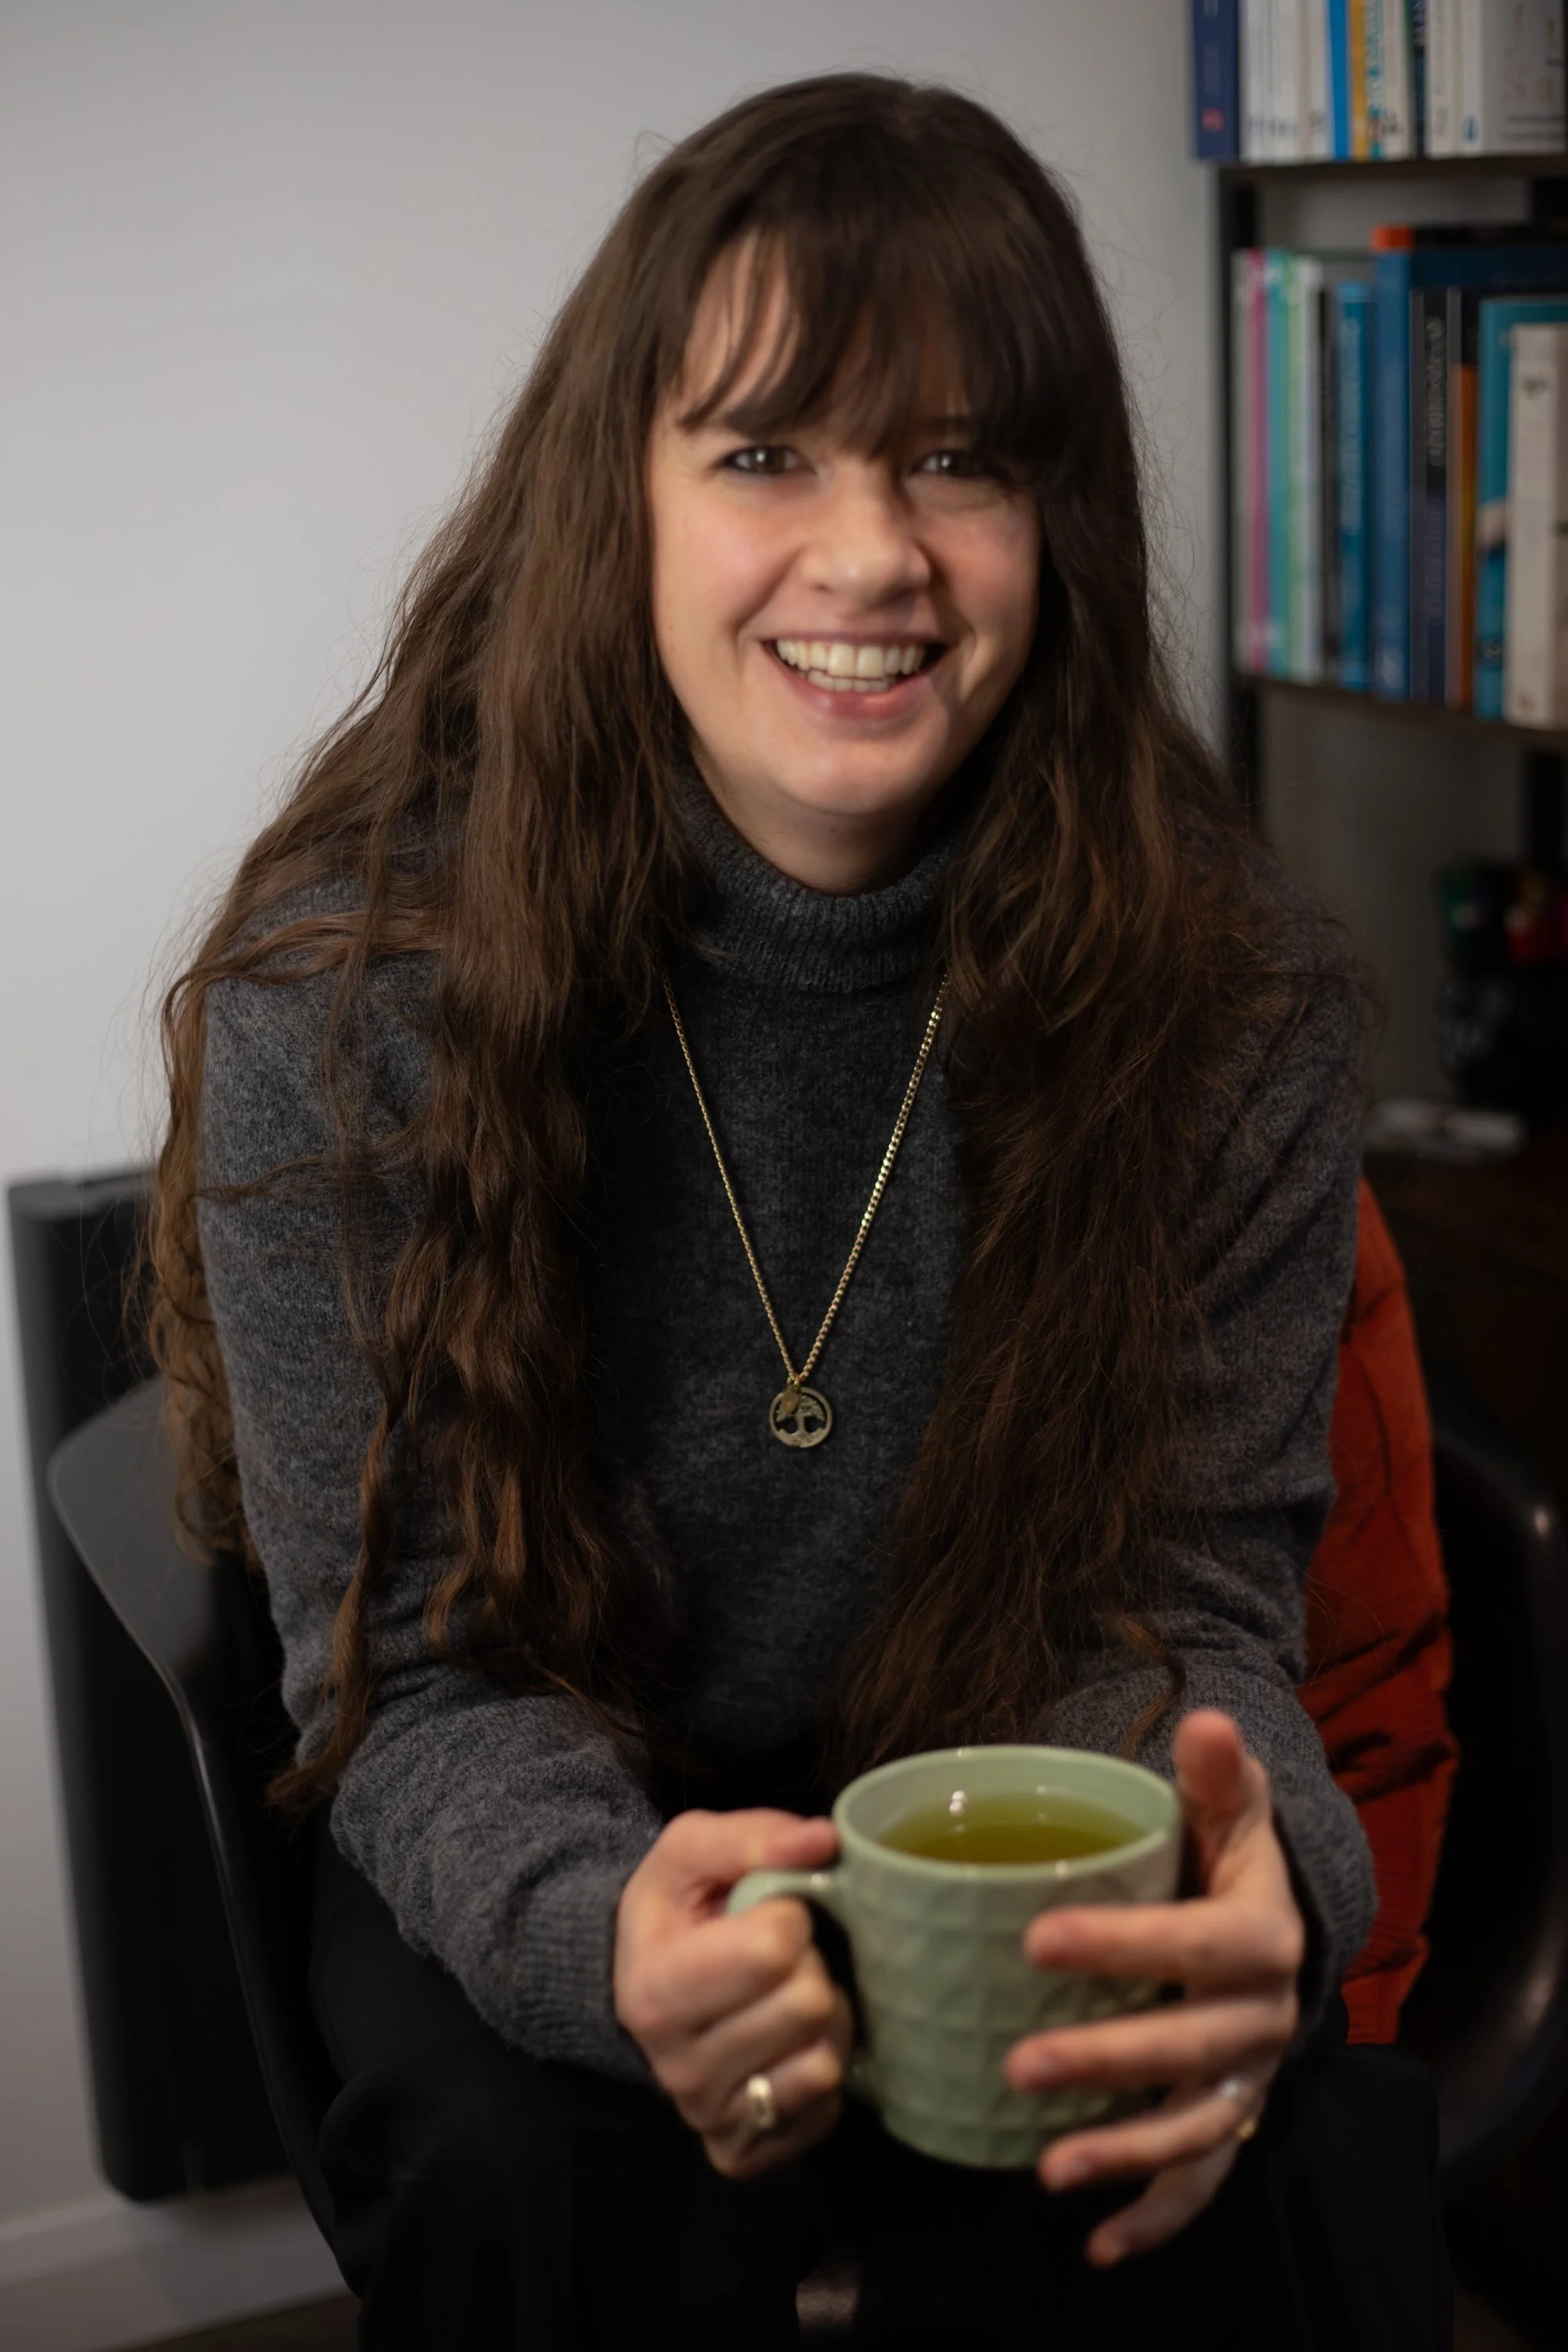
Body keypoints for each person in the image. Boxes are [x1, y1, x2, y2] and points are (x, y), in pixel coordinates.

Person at [149, 73, 1446, 2350]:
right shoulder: (345, 1000)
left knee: (1271, 2148)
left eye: (960, 459)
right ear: (619, 504)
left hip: (992, 1793)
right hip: (538, 1800)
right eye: (764, 453)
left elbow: (1187, 1620)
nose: (872, 556)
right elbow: (421, 1673)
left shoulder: (1234, 1001)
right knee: (528, 2161)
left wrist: (1265, 1880)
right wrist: (599, 1921)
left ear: (1061, 517)